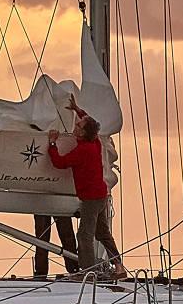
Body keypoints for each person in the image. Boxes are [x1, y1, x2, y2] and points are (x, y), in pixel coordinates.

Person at [47, 105, 126, 278]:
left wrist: (52, 143)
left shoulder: (82, 151)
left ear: (82, 133)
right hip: (101, 196)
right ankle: (119, 267)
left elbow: (60, 163)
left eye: (78, 126)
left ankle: (87, 273)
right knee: (102, 233)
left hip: (91, 199)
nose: (75, 126)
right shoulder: (95, 142)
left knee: (84, 235)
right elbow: (90, 121)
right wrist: (78, 109)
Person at [32, 214, 79, 280]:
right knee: (67, 237)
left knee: (42, 240)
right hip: (58, 206)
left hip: (45, 206)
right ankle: (74, 269)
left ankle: (40, 273)